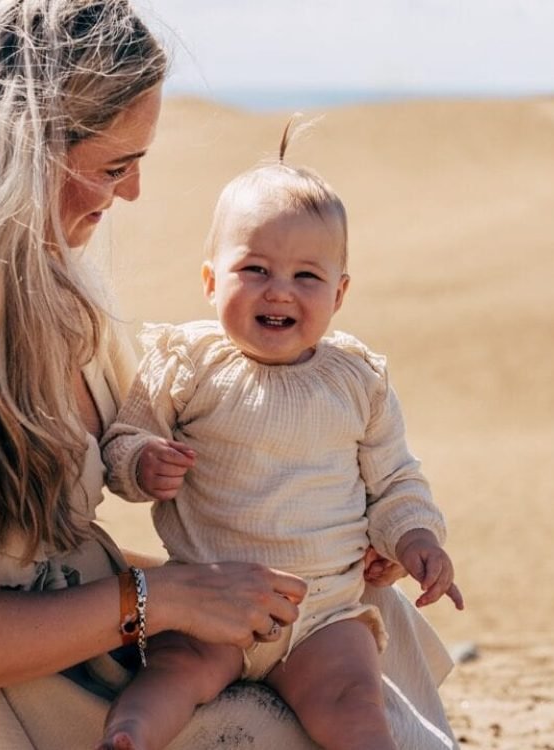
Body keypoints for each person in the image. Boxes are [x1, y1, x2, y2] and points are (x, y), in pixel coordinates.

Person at [0, 1, 458, 748]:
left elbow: (60, 561)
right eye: (115, 167)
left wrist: (300, 557)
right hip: (19, 702)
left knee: (362, 606)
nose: (133, 194)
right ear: (22, 153)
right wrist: (162, 597)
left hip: (94, 647)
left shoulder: (56, 301)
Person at [99, 121, 464, 750]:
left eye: (307, 277)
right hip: (209, 602)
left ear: (340, 294)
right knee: (173, 675)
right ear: (211, 280)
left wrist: (416, 536)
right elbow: (125, 439)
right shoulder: (188, 363)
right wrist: (141, 463)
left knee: (355, 703)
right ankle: (126, 739)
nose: (280, 290)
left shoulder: (358, 380)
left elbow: (395, 479)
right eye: (256, 268)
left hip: (323, 613)